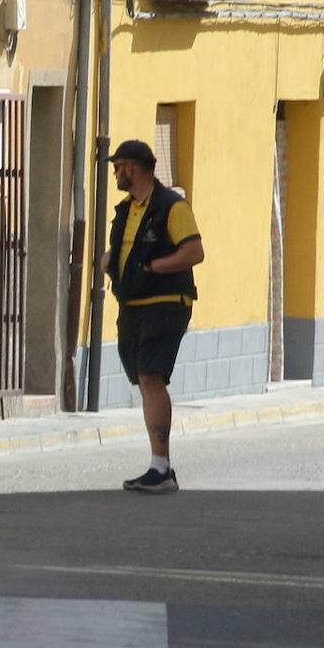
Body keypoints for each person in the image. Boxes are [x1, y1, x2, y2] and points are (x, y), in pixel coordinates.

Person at [102, 139, 204, 494]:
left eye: (118, 168)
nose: (115, 173)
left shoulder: (171, 207)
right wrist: (110, 261)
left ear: (132, 168)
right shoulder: (126, 209)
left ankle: (161, 466)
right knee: (144, 379)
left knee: (151, 375)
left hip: (165, 303)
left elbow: (194, 251)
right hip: (133, 305)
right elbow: (124, 248)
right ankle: (159, 465)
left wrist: (153, 266)